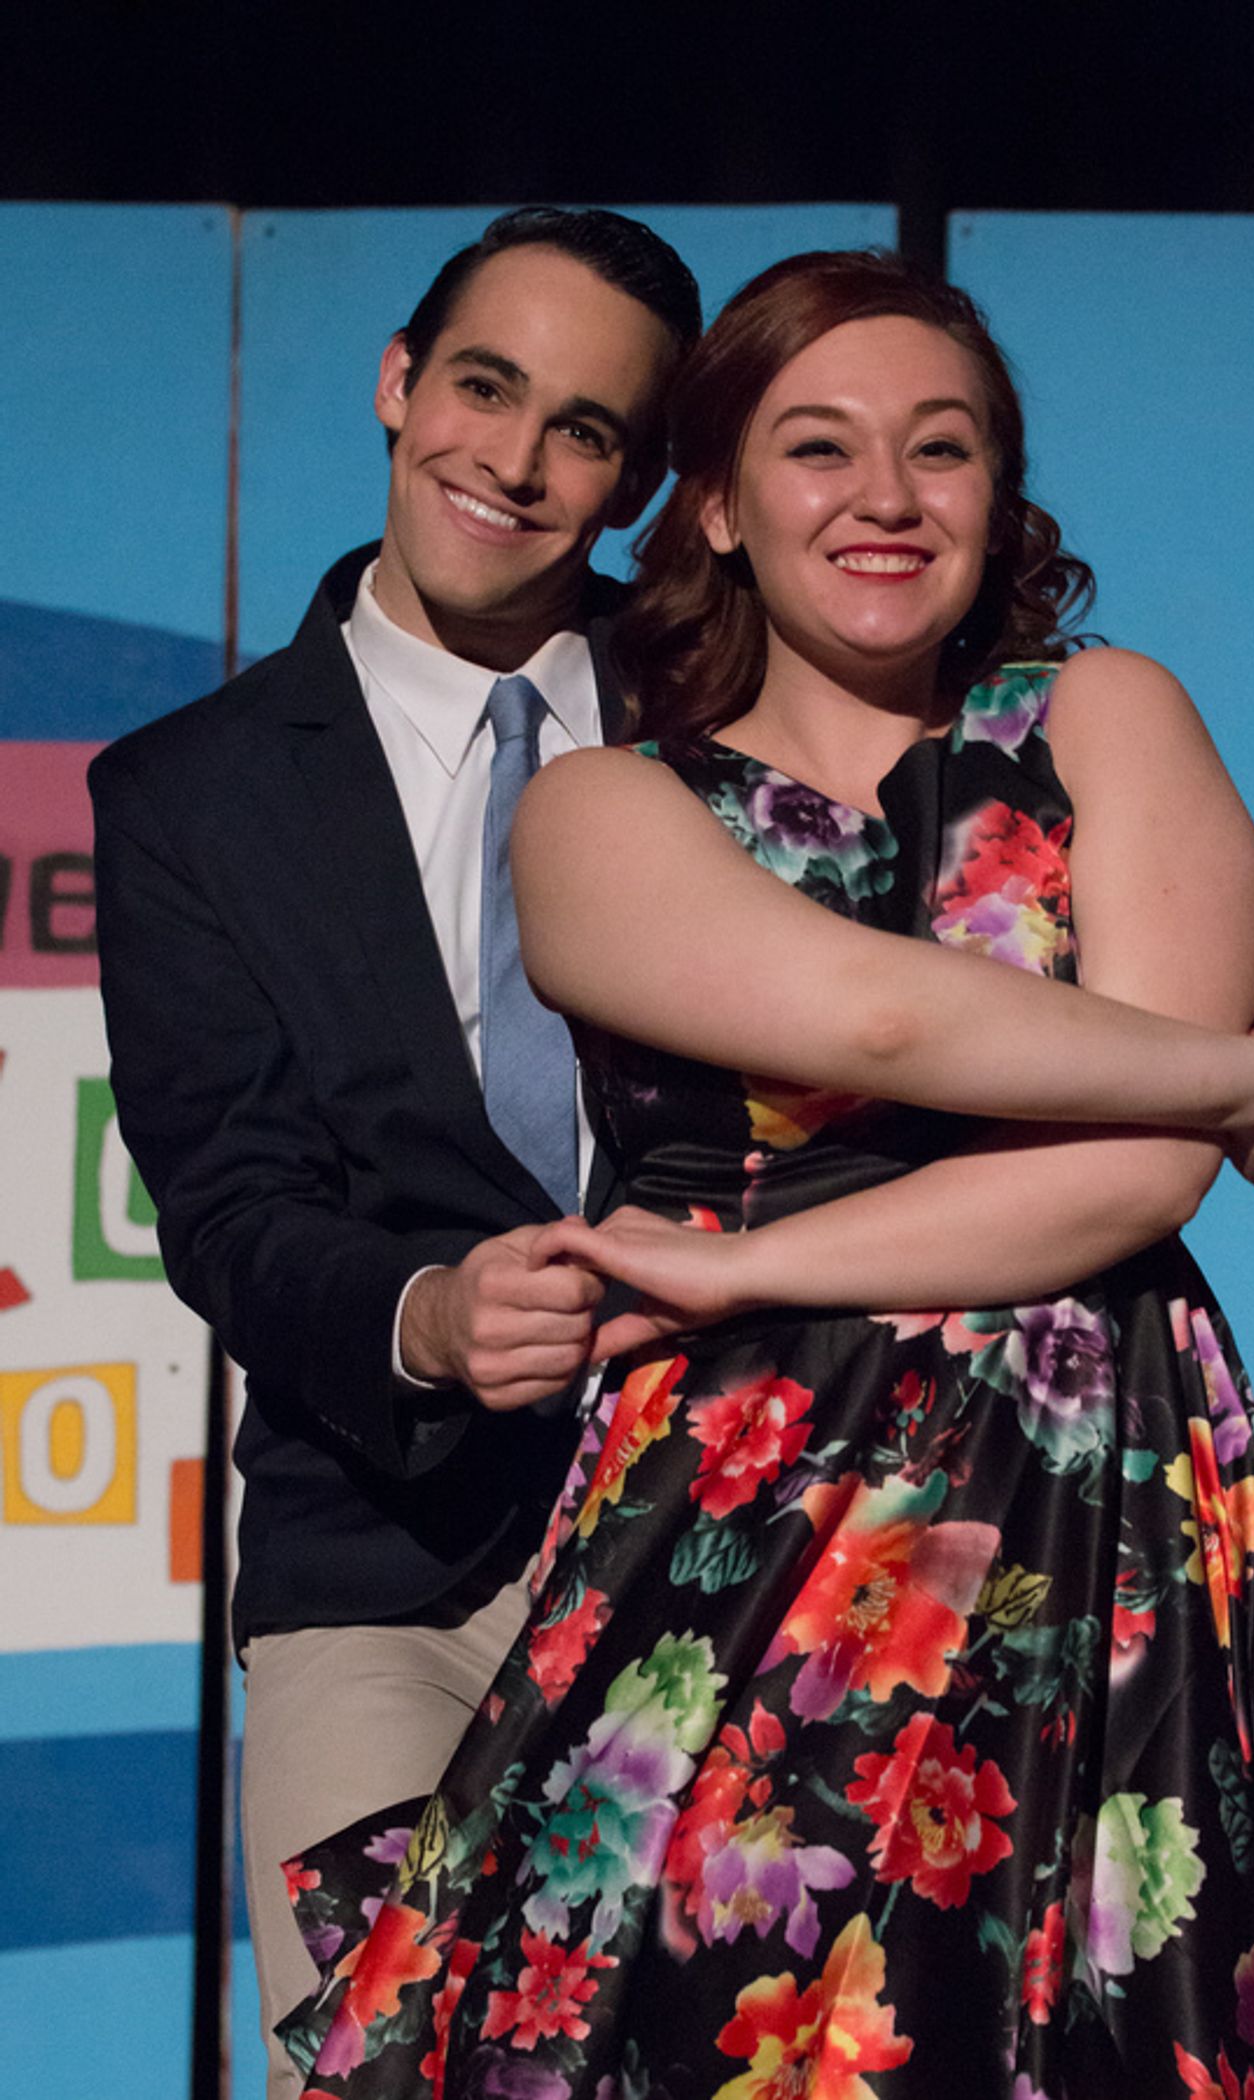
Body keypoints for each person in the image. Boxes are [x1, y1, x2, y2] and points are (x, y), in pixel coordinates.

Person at [279, 252, 1254, 2096]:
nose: (885, 498)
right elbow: (874, 1025)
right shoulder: (607, 809)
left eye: (939, 451)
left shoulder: (1110, 714)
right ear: (712, 502)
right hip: (744, 1540)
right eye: (818, 448)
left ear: (997, 494)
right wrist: (1251, 1071)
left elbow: (1138, 1187)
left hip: (1112, 1526)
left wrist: (733, 1268)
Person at [88, 206, 703, 2097]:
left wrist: (1204, 1055)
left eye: (583, 430)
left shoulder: (725, 727)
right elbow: (230, 1205)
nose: (512, 464)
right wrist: (426, 1314)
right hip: (383, 1567)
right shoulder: (185, 793)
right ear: (395, 385)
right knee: (375, 2071)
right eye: (483, 389)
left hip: (723, 1527)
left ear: (643, 476)